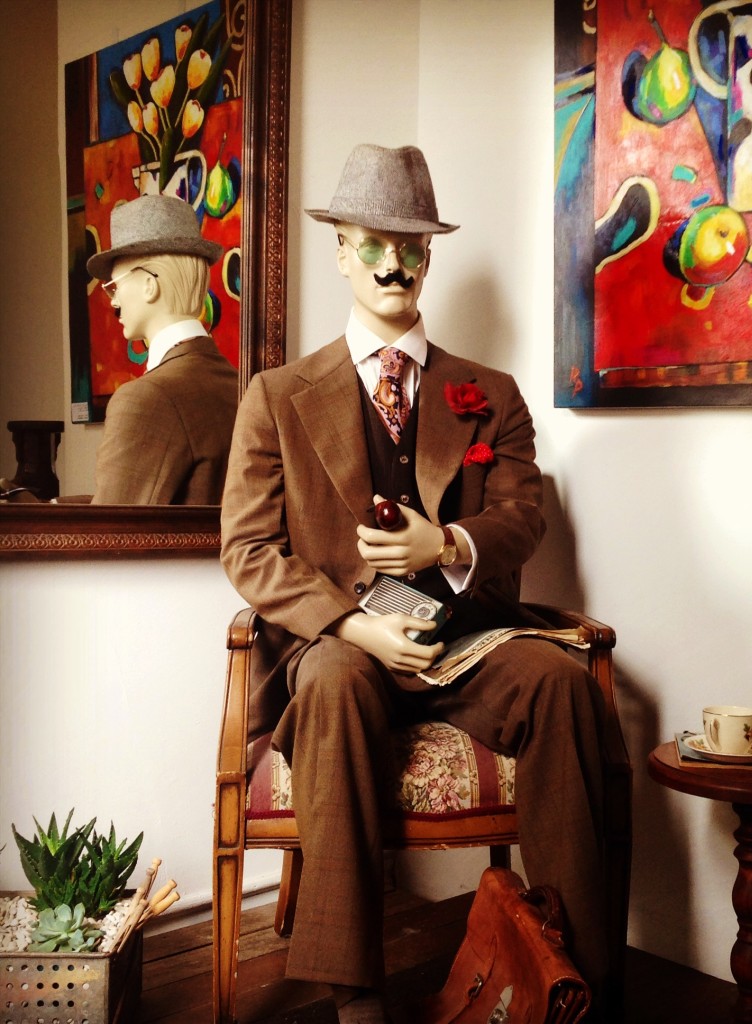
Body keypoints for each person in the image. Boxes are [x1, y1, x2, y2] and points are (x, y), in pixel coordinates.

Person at [220, 144, 609, 1024]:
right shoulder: (276, 397)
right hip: (342, 647)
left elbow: (524, 518)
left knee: (563, 686)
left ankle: (572, 982)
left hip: (467, 641)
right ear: (341, 253)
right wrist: (355, 627)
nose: (393, 264)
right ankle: (357, 999)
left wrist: (446, 542)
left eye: (411, 247)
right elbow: (248, 550)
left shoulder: (492, 393)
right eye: (373, 244)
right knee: (331, 681)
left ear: (429, 257)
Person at [86, 194, 237, 504]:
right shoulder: (241, 385)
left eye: (115, 286)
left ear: (149, 285)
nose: (113, 302)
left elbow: (110, 527)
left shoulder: (146, 398)